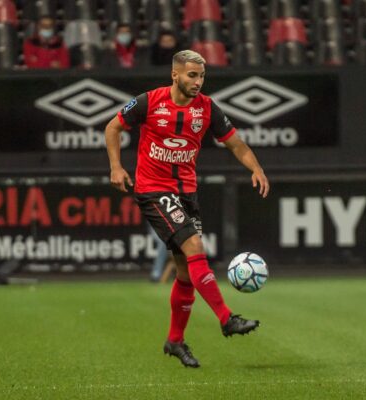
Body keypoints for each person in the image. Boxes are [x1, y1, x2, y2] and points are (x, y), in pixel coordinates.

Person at [104, 50, 269, 368]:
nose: (197, 82)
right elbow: (113, 128)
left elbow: (235, 143)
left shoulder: (207, 108)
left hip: (187, 193)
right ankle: (226, 318)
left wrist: (256, 169)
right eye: (192, 75)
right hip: (153, 189)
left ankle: (174, 341)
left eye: (202, 76)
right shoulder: (148, 102)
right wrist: (115, 167)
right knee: (195, 247)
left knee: (184, 271)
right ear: (175, 75)